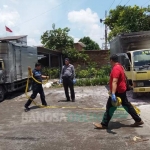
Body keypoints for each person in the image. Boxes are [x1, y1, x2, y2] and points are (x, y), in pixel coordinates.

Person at [93, 54, 144, 129]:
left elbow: (115, 81)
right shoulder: (120, 66)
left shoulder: (116, 68)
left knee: (110, 107)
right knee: (127, 106)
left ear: (111, 60)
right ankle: (138, 120)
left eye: (110, 61)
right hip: (121, 90)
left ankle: (104, 124)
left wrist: (113, 93)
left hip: (117, 92)